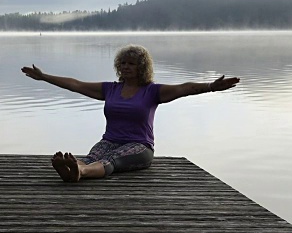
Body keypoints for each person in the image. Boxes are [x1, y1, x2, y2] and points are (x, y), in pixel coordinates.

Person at [21, 44, 240, 182]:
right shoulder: (110, 89)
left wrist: (211, 86)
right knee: (92, 157)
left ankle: (81, 173)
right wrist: (45, 77)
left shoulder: (153, 92)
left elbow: (185, 88)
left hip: (140, 147)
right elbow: (76, 84)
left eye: (132, 64)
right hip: (110, 140)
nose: (126, 67)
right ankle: (72, 169)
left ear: (141, 68)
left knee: (112, 161)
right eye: (123, 63)